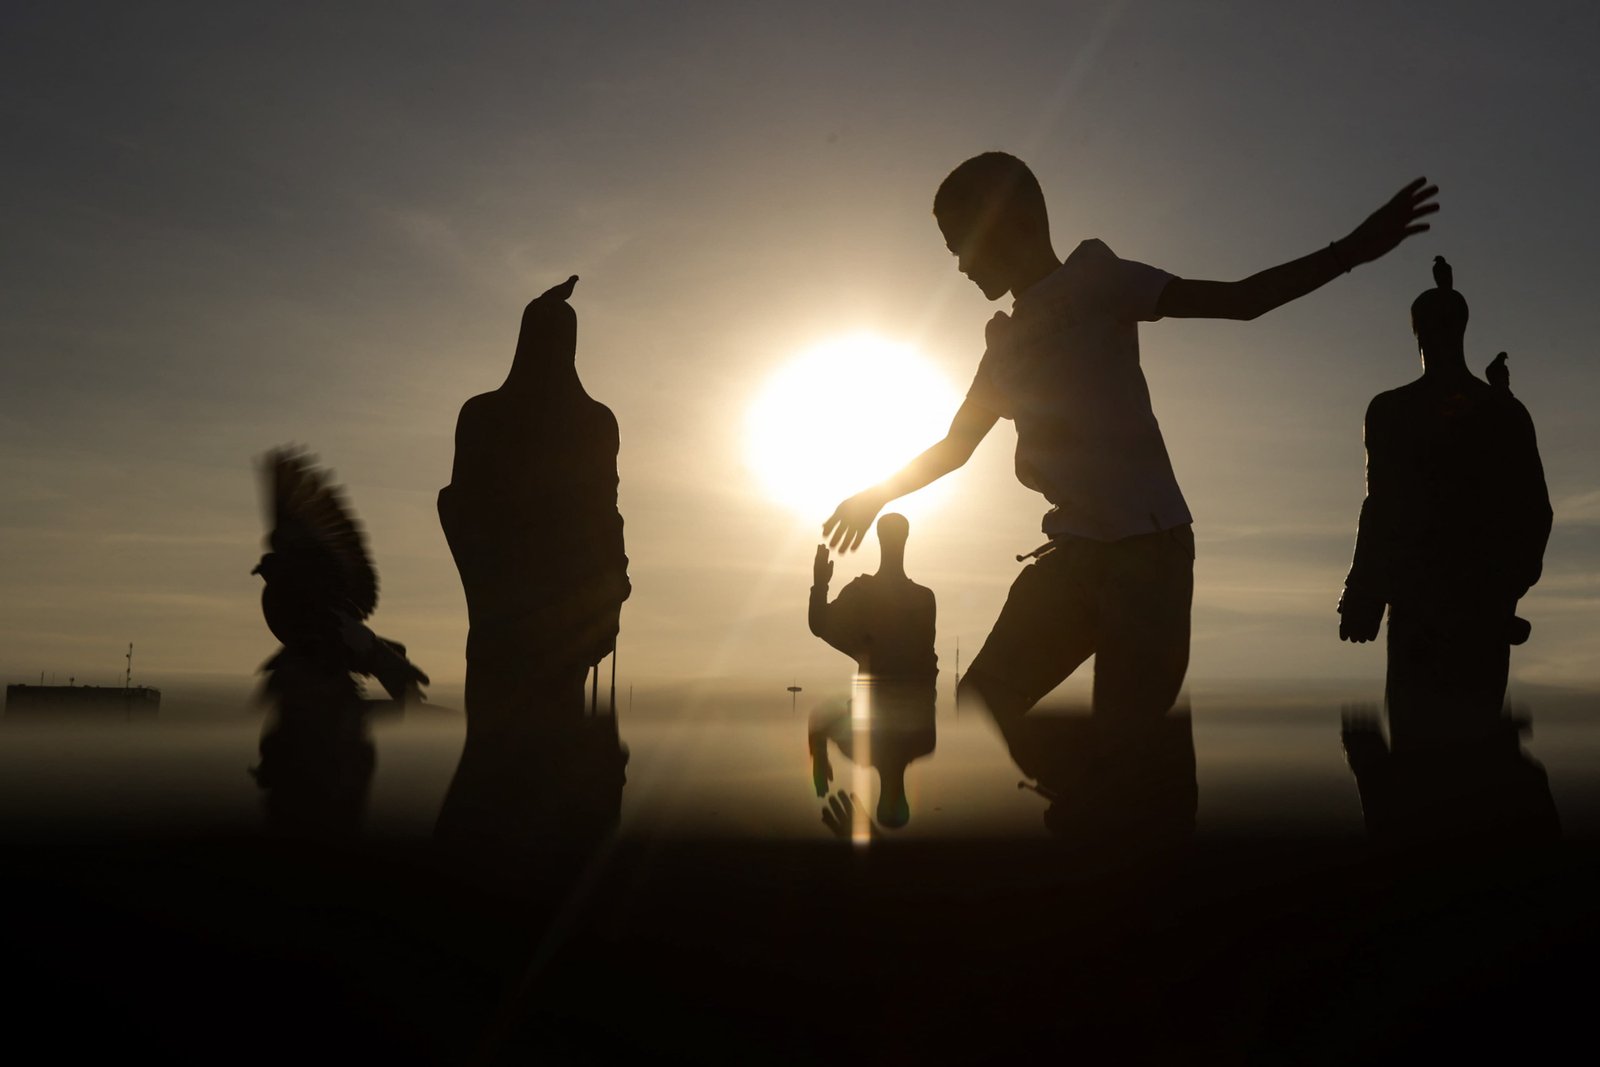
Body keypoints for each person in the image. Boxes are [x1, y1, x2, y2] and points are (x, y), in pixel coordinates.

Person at [823, 152, 1438, 791]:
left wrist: (1351, 251)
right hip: (1073, 554)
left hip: (1149, 555)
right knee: (983, 701)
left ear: (1008, 225)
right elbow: (955, 446)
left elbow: (1242, 301)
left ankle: (1122, 818)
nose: (957, 264)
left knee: (1134, 749)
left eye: (961, 244)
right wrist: (875, 495)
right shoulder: (1004, 345)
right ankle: (1086, 804)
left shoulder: (1097, 279)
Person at [434, 276, 630, 853]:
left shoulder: (482, 416)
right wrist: (606, 596)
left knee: (491, 758)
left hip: (499, 625)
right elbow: (606, 518)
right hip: (563, 627)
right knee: (553, 755)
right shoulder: (596, 422)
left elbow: (457, 509)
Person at [1338, 256, 1553, 753]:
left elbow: (1381, 505)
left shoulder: (1393, 409)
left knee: (1424, 756)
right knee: (1467, 755)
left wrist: (1364, 590)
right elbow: (1534, 511)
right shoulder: (1501, 410)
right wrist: (1504, 590)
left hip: (1432, 606)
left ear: (1416, 331)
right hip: (1472, 608)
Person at [807, 513, 937, 829]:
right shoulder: (922, 744)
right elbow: (926, 670)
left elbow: (820, 625)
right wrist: (820, 585)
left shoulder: (863, 748)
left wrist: (820, 586)